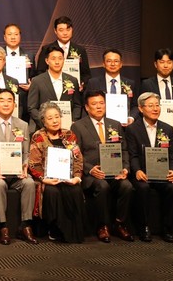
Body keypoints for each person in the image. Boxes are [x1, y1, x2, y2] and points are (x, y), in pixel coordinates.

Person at [70, 90, 134, 243]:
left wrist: (125, 168)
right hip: (93, 174)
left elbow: (124, 149)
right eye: (94, 104)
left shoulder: (115, 124)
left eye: (101, 103)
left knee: (127, 186)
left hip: (115, 172)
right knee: (102, 186)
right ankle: (102, 226)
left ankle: (119, 223)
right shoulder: (78, 126)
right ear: (87, 107)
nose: (99, 107)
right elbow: (75, 154)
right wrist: (90, 169)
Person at [0, 89, 37, 245]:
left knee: (29, 183)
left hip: (17, 172)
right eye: (2, 100)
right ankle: (2, 227)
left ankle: (25, 226)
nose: (6, 104)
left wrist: (25, 165)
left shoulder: (23, 125)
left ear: (14, 104)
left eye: (9, 100)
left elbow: (26, 152)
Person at [28, 102, 85, 243]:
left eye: (57, 117)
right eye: (50, 118)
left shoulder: (69, 135)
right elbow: (34, 164)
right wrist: (44, 179)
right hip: (48, 179)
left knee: (75, 190)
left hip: (68, 178)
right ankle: (55, 229)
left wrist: (77, 177)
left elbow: (78, 158)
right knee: (53, 192)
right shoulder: (38, 136)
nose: (55, 121)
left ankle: (74, 233)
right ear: (43, 121)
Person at [125, 92, 173, 242]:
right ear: (141, 109)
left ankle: (168, 228)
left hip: (162, 173)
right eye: (150, 106)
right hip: (143, 173)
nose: (155, 109)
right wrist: (137, 170)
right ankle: (144, 227)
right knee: (142, 188)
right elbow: (132, 154)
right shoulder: (132, 129)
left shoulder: (168, 129)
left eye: (157, 105)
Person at [27, 46, 82, 130]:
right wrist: (44, 122)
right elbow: (32, 108)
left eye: (60, 58)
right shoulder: (37, 81)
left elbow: (77, 105)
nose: (57, 62)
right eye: (53, 59)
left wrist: (74, 121)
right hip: (44, 129)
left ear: (64, 60)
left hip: (67, 128)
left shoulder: (73, 80)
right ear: (47, 61)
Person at [84, 48, 138, 125]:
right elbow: (86, 104)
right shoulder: (93, 83)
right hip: (100, 124)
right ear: (103, 64)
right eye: (109, 61)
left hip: (124, 125)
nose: (113, 64)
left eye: (116, 61)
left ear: (121, 64)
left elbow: (135, 105)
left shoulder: (130, 83)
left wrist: (131, 118)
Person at [138, 48, 173, 125]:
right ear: (155, 64)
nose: (166, 66)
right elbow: (142, 107)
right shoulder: (147, 84)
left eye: (169, 62)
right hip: (155, 126)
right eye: (162, 62)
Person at [36, 16, 91, 88]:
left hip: (74, 89)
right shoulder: (46, 49)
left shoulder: (80, 50)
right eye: (61, 30)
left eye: (68, 29)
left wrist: (82, 84)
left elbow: (86, 74)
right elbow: (40, 71)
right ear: (55, 31)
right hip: (52, 88)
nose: (65, 33)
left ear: (72, 30)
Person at [2, 23, 35, 91]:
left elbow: (34, 75)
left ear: (20, 36)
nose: (13, 37)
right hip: (3, 92)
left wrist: (31, 86)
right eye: (9, 34)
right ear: (4, 37)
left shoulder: (29, 55)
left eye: (16, 34)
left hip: (24, 93)